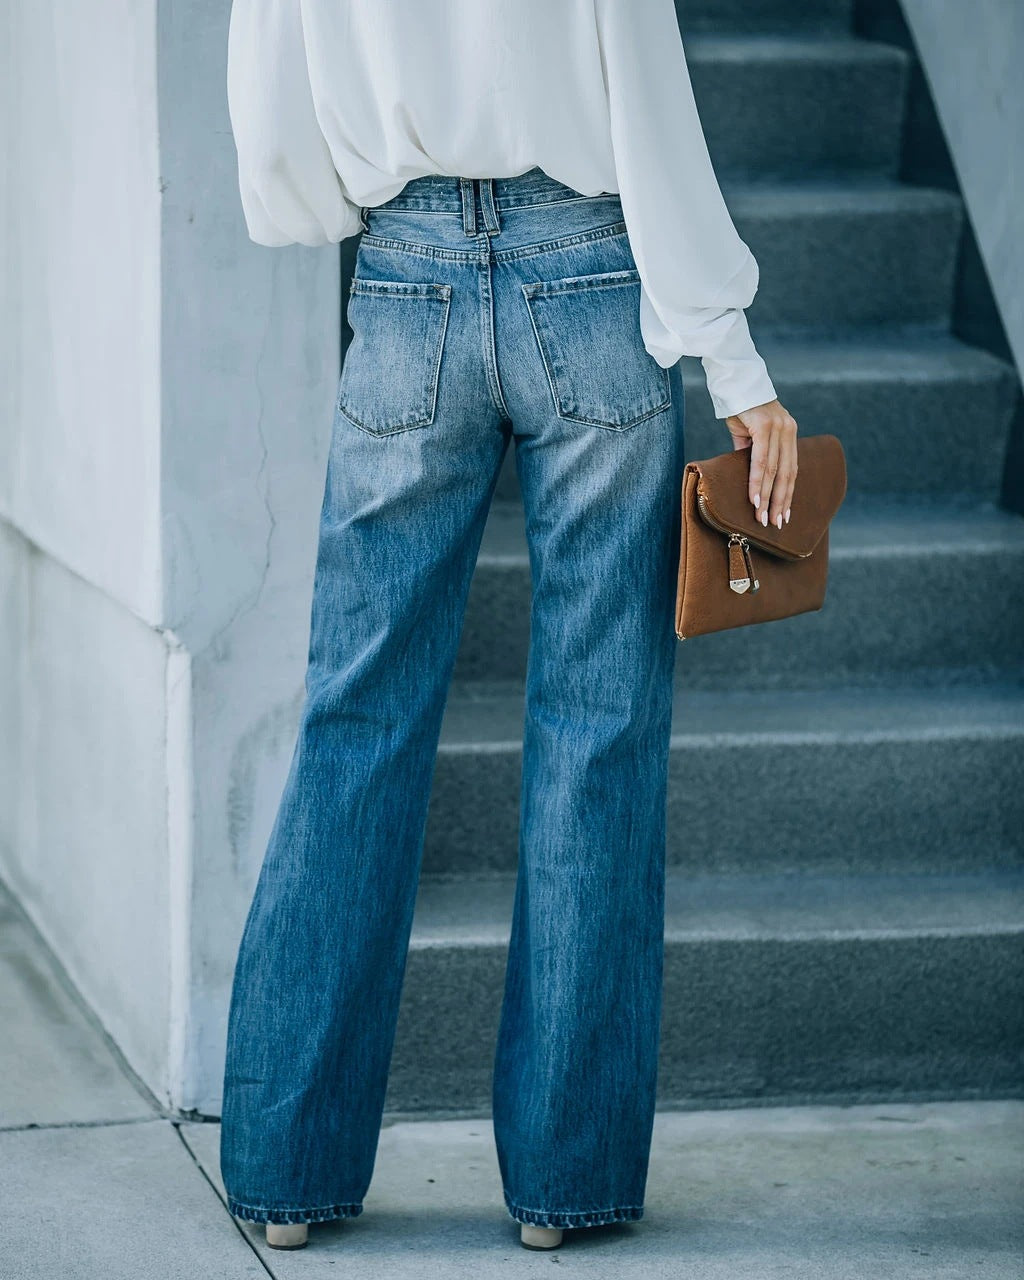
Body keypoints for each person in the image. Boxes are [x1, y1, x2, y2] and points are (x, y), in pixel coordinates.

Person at [219, 0, 800, 1254]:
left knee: (353, 719)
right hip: (589, 273)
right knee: (600, 727)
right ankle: (565, 1183)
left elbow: (270, 103)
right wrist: (732, 361)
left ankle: (285, 1168)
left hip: (405, 271)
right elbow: (642, 85)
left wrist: (355, 209)